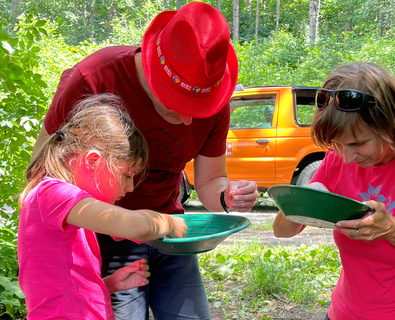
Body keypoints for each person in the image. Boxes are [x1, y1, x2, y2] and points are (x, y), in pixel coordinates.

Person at [31, 2, 259, 319]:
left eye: (199, 108)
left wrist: (225, 196)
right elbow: (43, 170)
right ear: (152, 73)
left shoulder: (213, 97)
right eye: (176, 105)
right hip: (103, 232)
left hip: (175, 241)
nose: (187, 122)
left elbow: (208, 181)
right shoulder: (94, 79)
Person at [18, 94, 187, 320]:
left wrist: (107, 284)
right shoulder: (54, 194)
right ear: (92, 161)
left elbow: (60, 291)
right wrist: (167, 221)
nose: (130, 187)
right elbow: (137, 226)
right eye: (126, 175)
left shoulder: (66, 209)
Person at [273, 62, 395, 319]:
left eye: (358, 143)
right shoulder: (336, 158)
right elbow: (282, 231)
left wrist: (391, 229)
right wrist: (302, 198)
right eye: (337, 144)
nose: (347, 158)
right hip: (343, 312)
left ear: (391, 124)